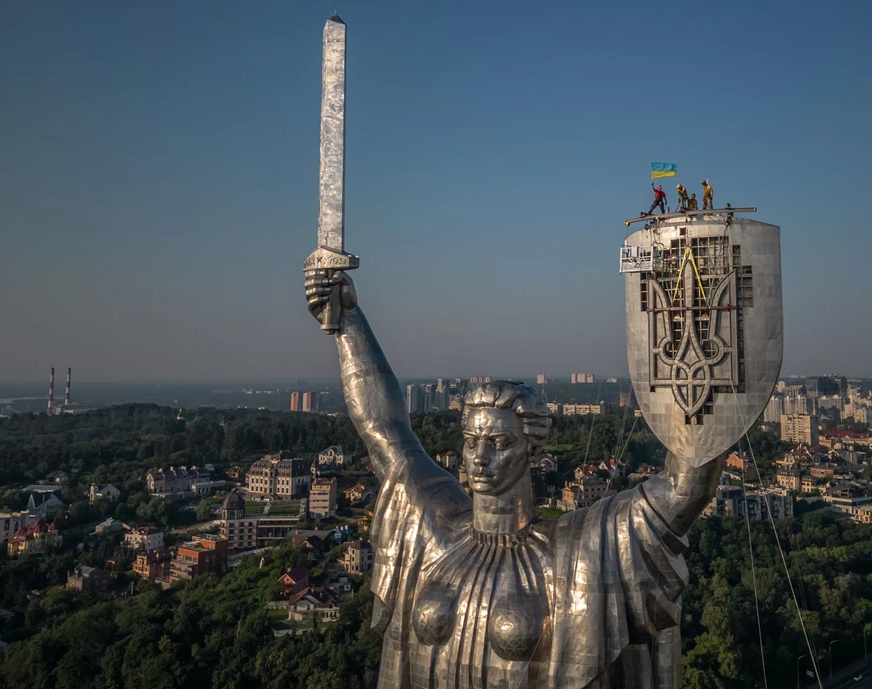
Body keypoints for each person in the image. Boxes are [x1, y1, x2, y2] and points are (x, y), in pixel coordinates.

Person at [305, 271, 723, 688]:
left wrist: (701, 335)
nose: (479, 458)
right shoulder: (433, 531)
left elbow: (684, 490)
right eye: (471, 442)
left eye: (500, 442)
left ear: (532, 450)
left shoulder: (578, 554)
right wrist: (347, 319)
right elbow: (383, 426)